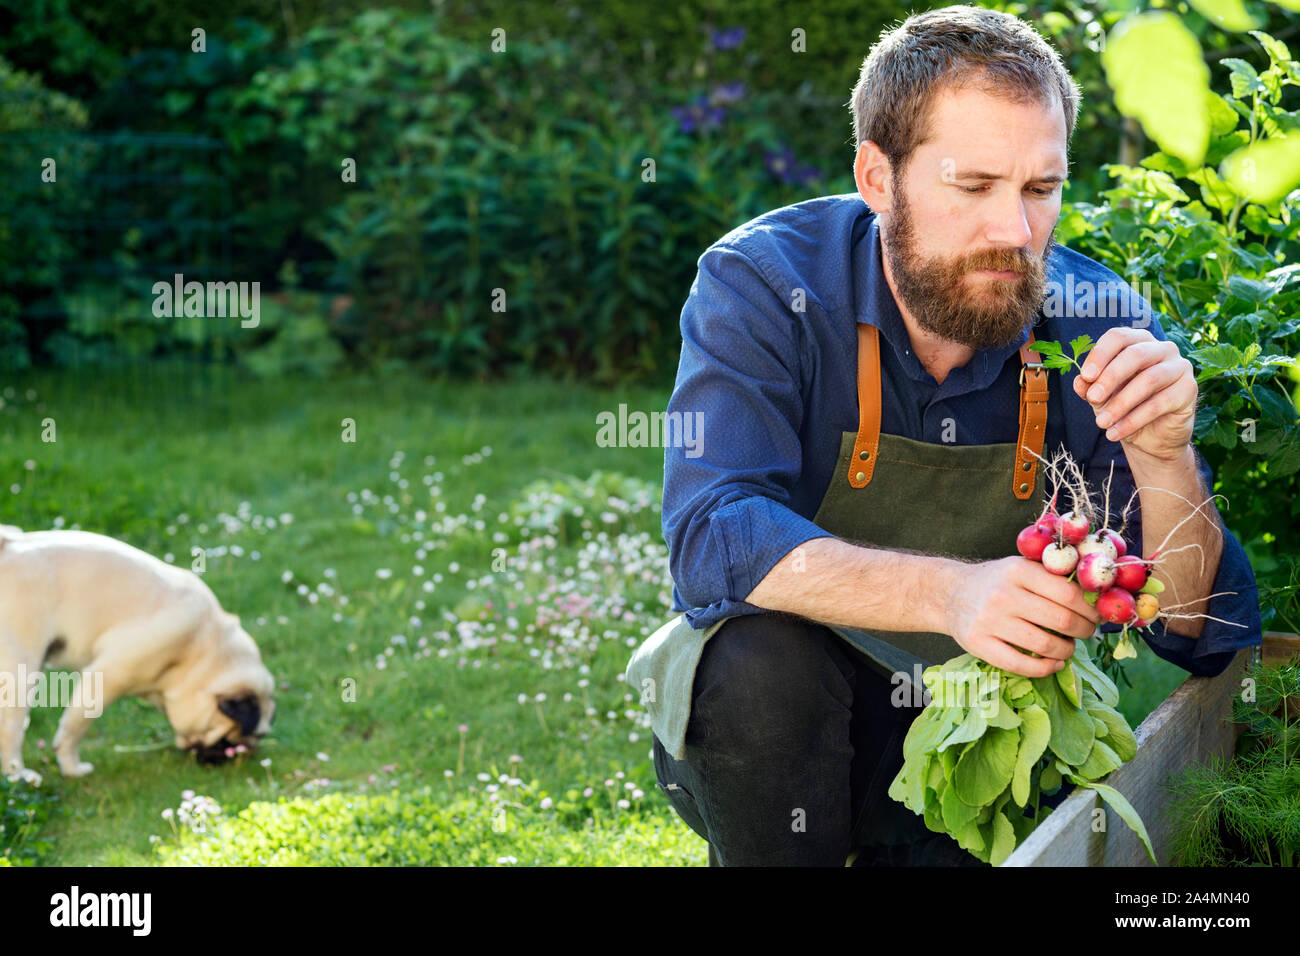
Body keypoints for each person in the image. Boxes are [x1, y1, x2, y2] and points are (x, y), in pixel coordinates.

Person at [625, 4, 1262, 868]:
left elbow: (1194, 626)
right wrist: (951, 596)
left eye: (1042, 190)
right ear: (878, 179)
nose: (1015, 232)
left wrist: (1163, 459)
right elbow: (714, 531)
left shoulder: (1093, 319)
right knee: (756, 664)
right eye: (974, 187)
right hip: (781, 734)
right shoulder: (766, 285)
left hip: (984, 733)